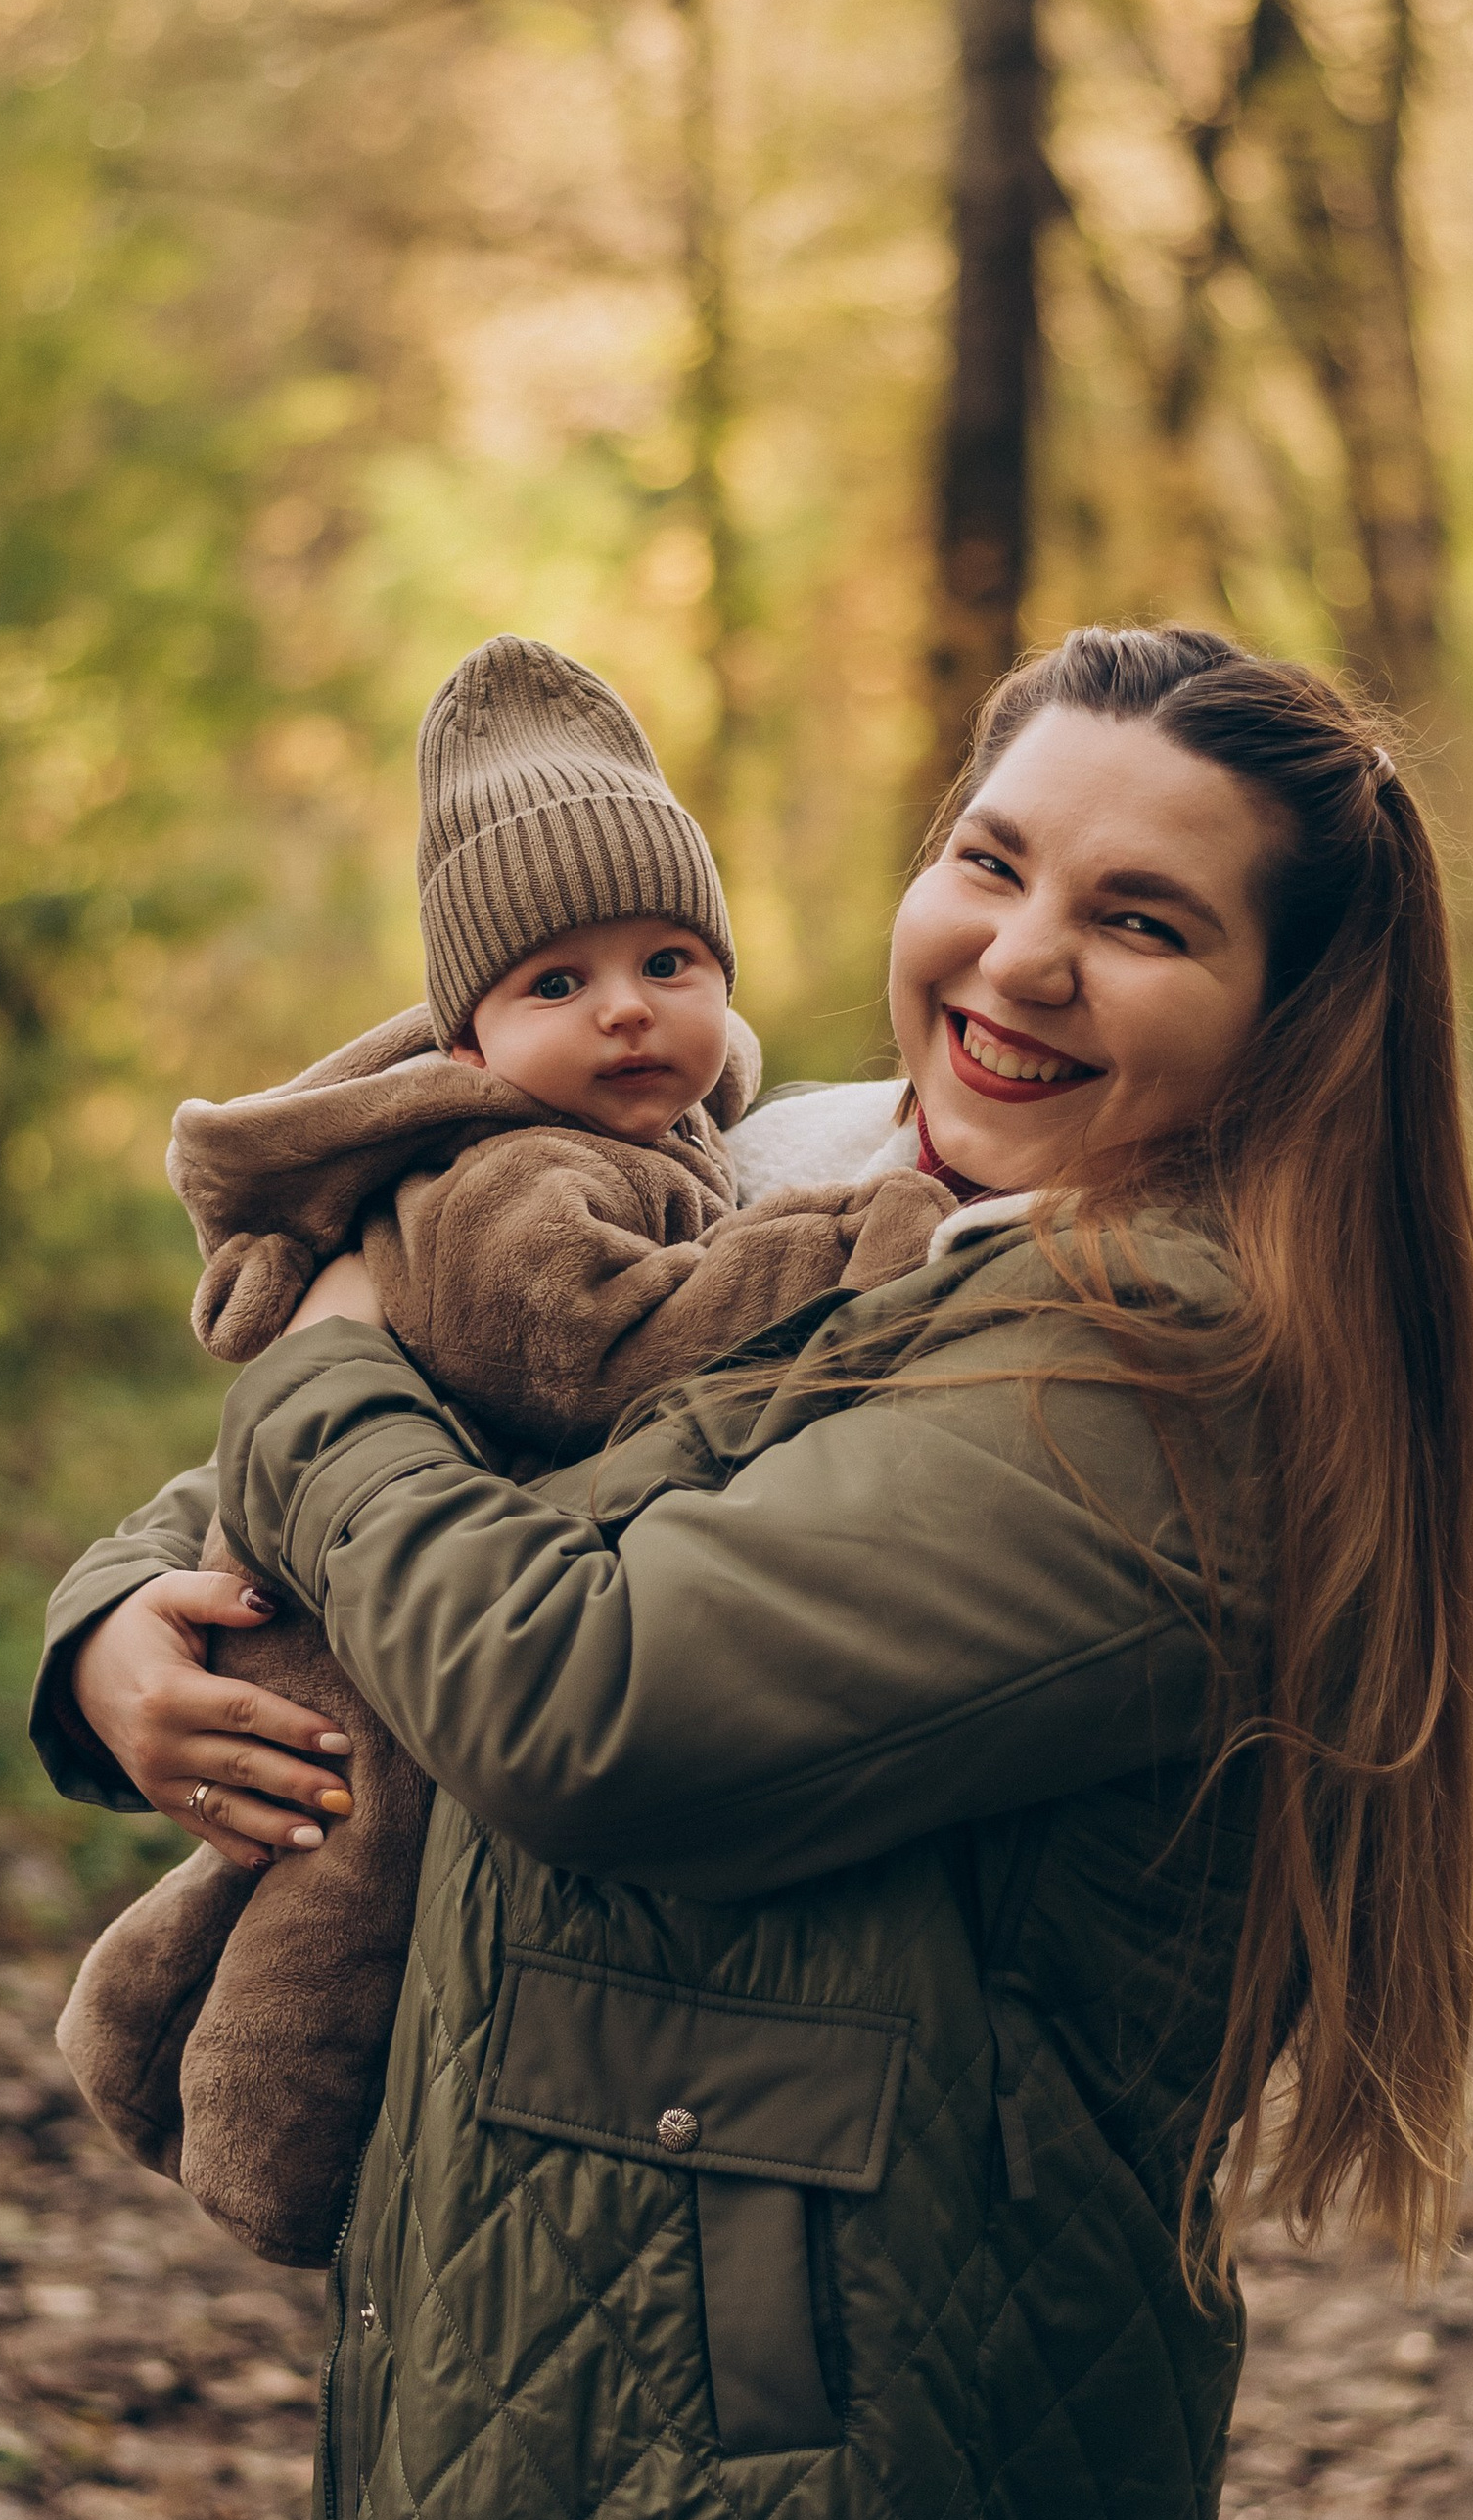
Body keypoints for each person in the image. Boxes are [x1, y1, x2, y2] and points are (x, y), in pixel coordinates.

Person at [30, 626, 1473, 2520]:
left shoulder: (1161, 1382)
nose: (1022, 956)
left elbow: (571, 1686)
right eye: (993, 858)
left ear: (1292, 1029)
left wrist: (310, 1350)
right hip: (630, 2386)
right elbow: (499, 1439)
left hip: (839, 2482)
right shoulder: (835, 1170)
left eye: (1146, 923)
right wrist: (114, 1636)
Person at [51, 632, 948, 2267]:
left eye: (671, 959)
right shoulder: (511, 1175)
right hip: (383, 1611)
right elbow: (598, 1342)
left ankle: (143, 2036)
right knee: (338, 1871)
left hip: (424, 1562)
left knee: (292, 1870)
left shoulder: (678, 1137)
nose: (627, 1010)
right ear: (464, 1041)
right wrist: (856, 1238)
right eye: (558, 983)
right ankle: (268, 2159)